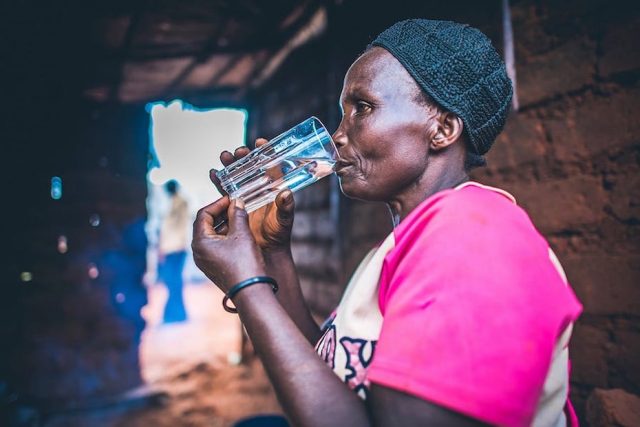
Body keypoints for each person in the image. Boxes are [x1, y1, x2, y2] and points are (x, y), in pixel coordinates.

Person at [192, 19, 583, 427]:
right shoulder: (403, 244)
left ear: (443, 129)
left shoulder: (475, 241)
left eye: (363, 107)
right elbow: (328, 372)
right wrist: (271, 254)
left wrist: (247, 286)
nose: (338, 136)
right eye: (342, 113)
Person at [158, 179, 189, 323]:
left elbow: (180, 227)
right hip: (171, 249)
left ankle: (174, 315)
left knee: (174, 283)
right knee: (173, 283)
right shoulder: (172, 203)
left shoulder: (180, 203)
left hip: (176, 249)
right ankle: (177, 314)